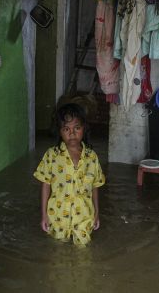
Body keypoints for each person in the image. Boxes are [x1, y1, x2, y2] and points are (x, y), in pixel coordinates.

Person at [34, 103, 105, 246]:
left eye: (76, 128)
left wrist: (97, 213)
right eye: (66, 129)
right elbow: (46, 185)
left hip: (84, 214)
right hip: (58, 215)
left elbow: (95, 186)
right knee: (58, 252)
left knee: (84, 252)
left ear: (83, 129)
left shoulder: (91, 157)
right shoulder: (52, 155)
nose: (72, 133)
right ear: (59, 131)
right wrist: (44, 216)